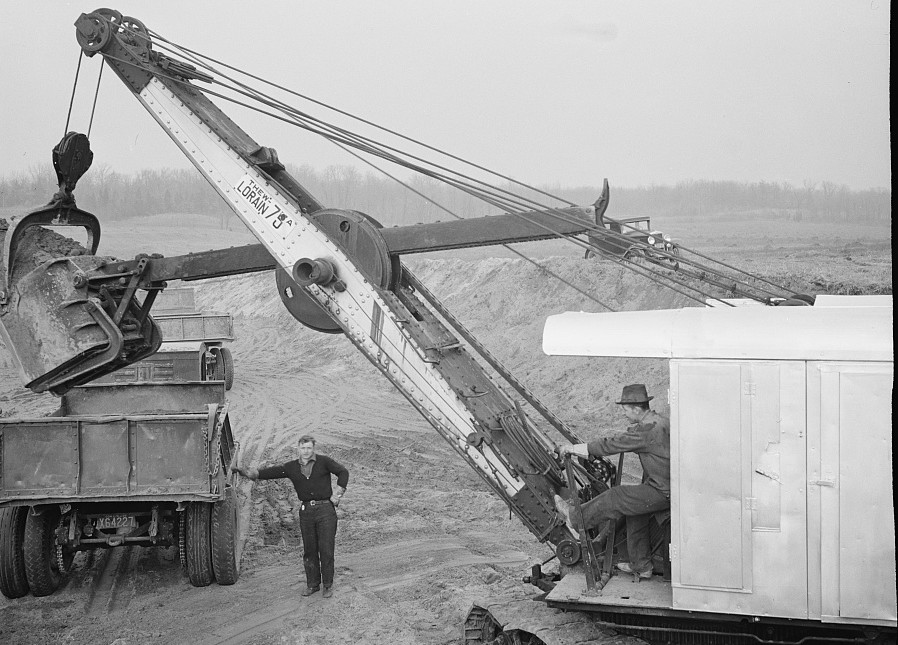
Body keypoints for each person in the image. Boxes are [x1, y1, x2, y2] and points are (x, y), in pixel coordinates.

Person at [555, 384, 670, 579]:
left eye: (625, 409)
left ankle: (575, 517)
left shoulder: (647, 429)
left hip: (662, 491)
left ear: (635, 408)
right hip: (667, 487)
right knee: (635, 508)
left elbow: (612, 444)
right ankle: (641, 566)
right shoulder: (660, 421)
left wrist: (575, 448)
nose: (624, 414)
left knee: (617, 496)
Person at [233, 435, 349, 598]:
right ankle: (313, 585)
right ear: (298, 449)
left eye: (309, 448)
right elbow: (272, 472)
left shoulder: (324, 462)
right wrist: (252, 474)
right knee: (309, 550)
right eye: (303, 448)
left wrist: (338, 493)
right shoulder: (292, 467)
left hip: (326, 511)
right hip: (306, 511)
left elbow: (343, 472)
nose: (306, 451)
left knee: (326, 549)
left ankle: (328, 585)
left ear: (313, 448)